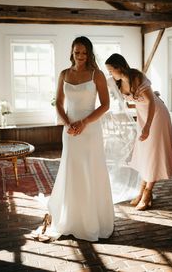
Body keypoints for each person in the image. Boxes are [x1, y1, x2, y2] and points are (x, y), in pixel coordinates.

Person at [34, 36, 114, 242]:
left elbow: (105, 105)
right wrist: (68, 123)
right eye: (77, 52)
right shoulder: (64, 74)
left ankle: (92, 220)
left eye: (84, 53)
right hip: (69, 131)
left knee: (90, 169)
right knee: (72, 169)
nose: (80, 56)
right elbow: (58, 103)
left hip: (90, 130)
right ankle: (71, 217)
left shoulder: (97, 75)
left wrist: (84, 122)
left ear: (89, 54)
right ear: (72, 52)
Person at [105, 53, 172, 211]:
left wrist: (147, 126)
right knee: (146, 153)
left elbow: (151, 102)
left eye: (111, 70)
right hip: (143, 116)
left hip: (156, 115)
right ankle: (142, 191)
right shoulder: (118, 83)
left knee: (153, 153)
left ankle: (147, 193)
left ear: (119, 67)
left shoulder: (137, 77)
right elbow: (138, 101)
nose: (110, 74)